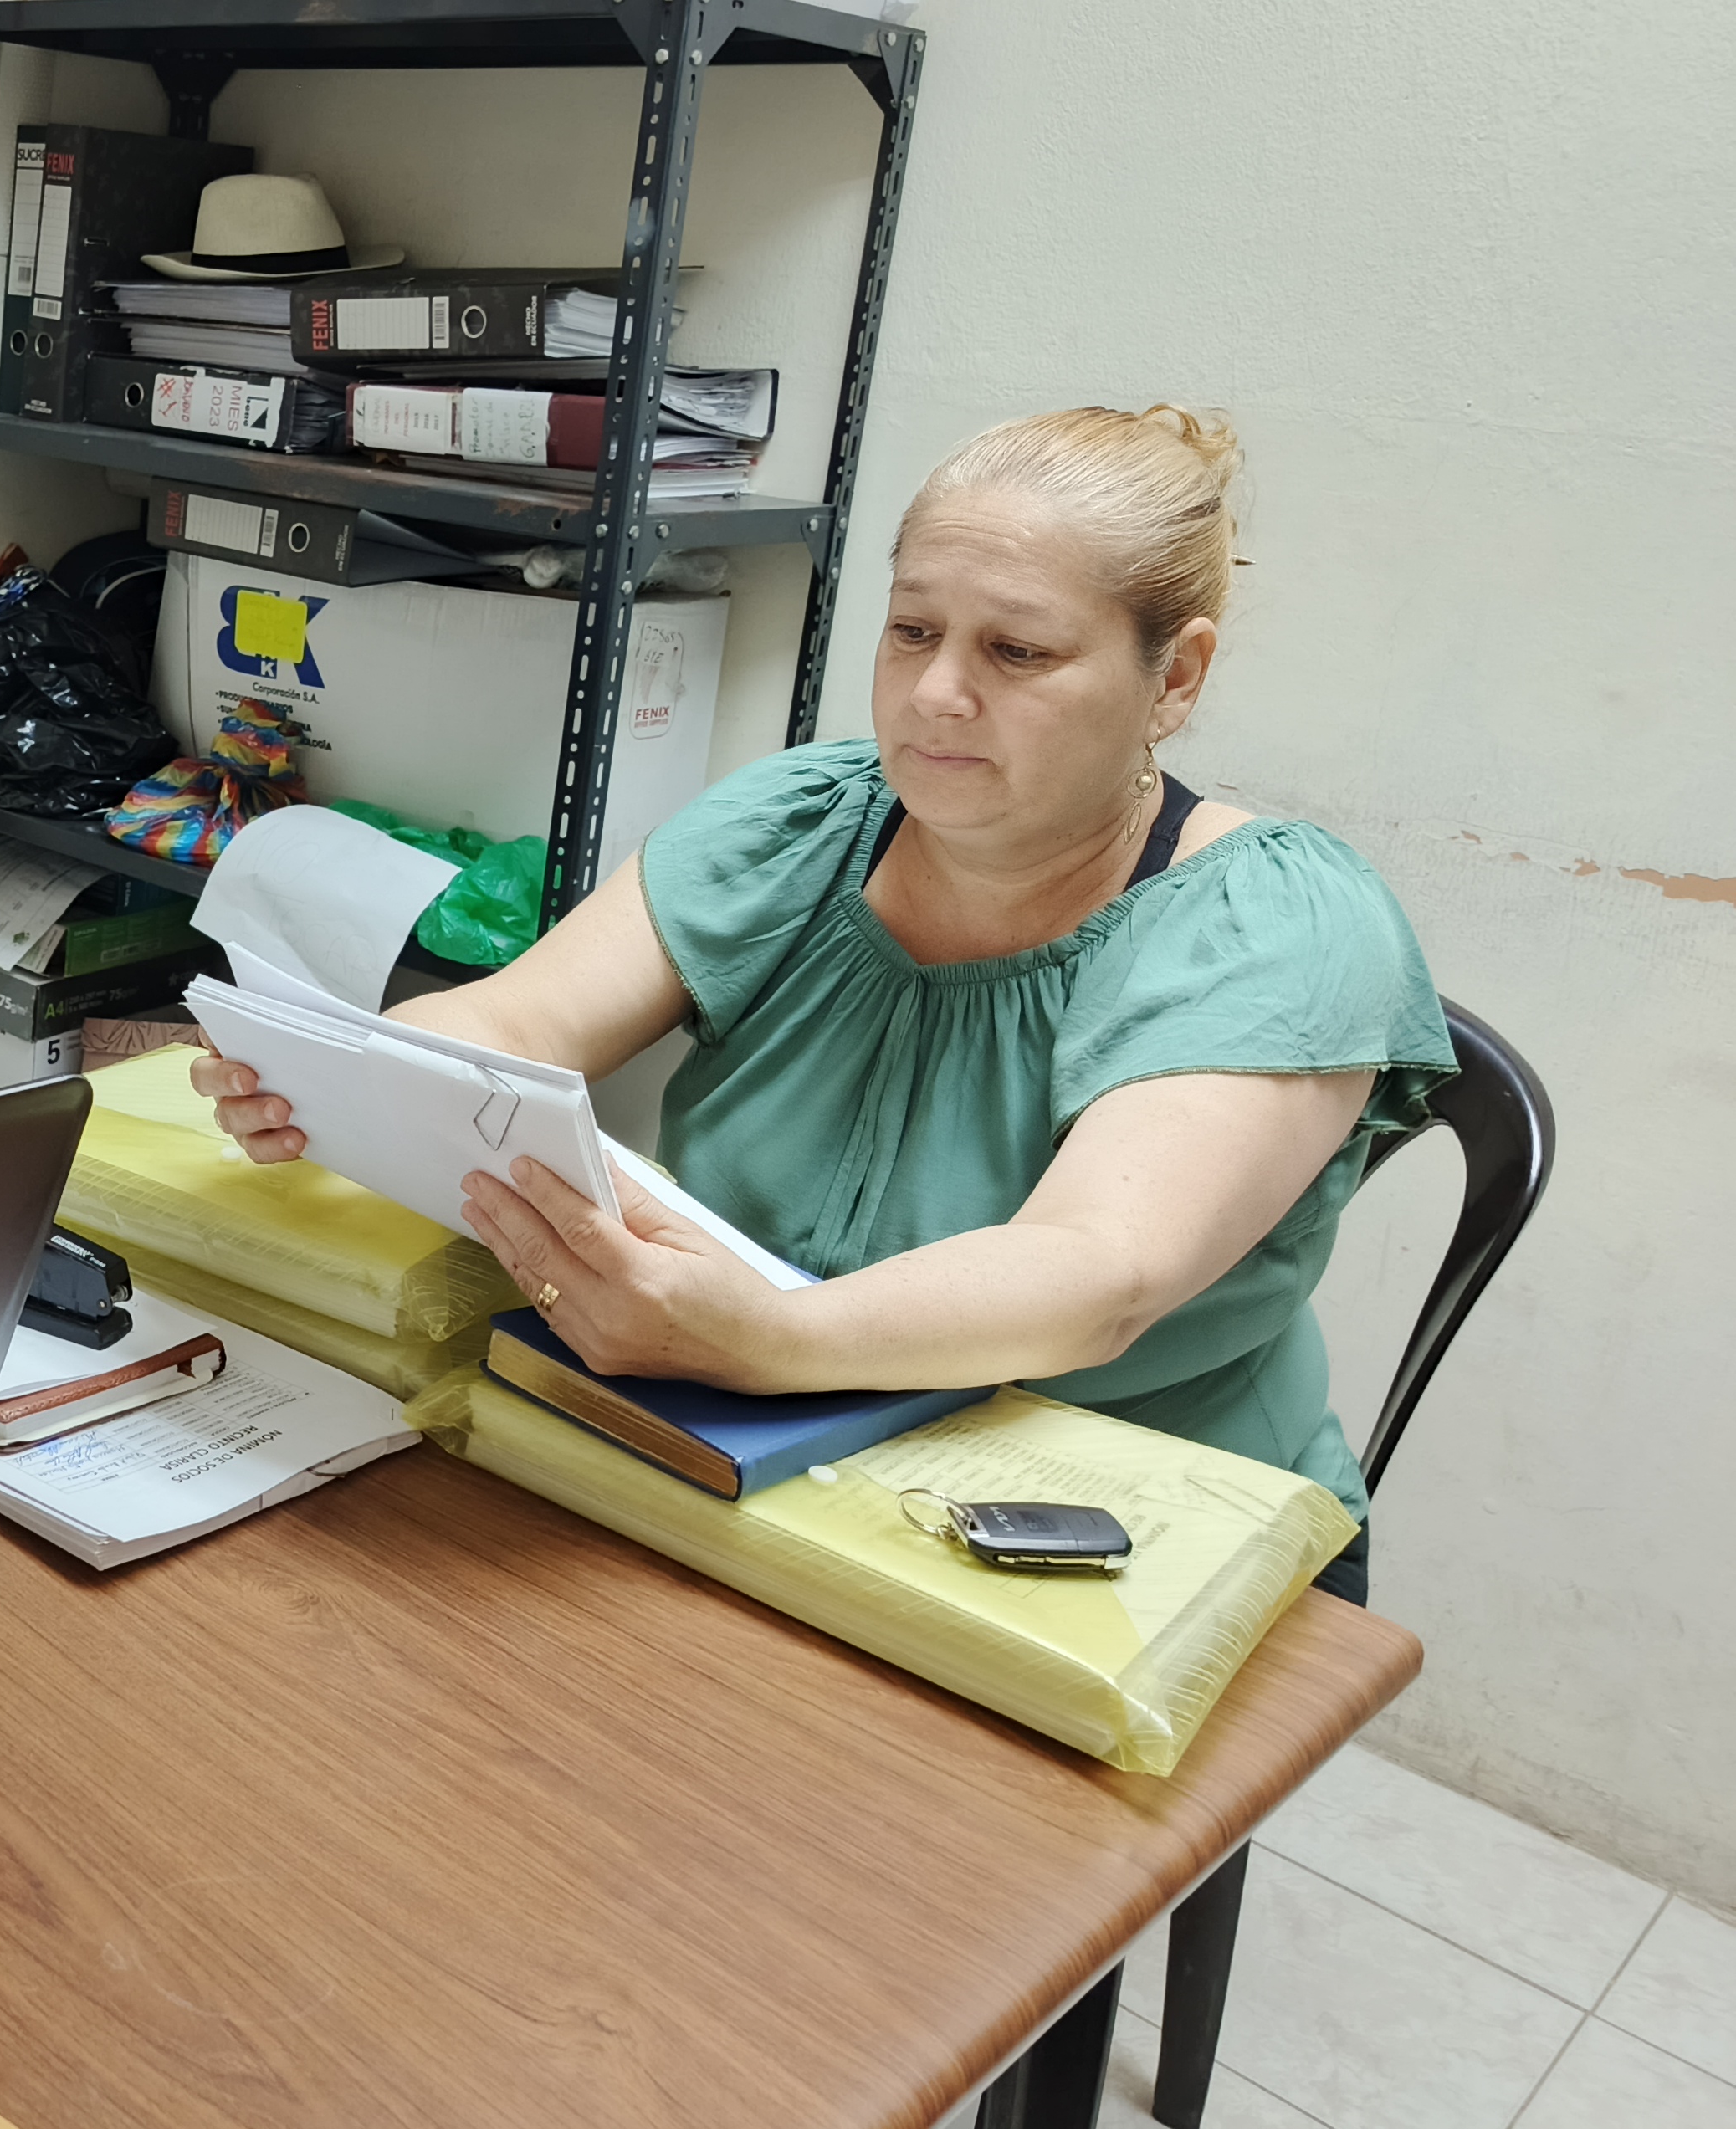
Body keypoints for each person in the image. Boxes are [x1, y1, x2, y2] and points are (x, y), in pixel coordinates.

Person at [197, 407, 1451, 1601]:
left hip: (1120, 1531)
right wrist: (338, 1075)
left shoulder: (1278, 923)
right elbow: (514, 1025)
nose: (937, 692)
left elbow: (1097, 1273)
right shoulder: (803, 823)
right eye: (912, 632)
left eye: (1016, 652)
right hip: (760, 1460)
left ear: (1175, 678)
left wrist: (768, 1343)